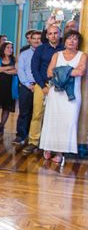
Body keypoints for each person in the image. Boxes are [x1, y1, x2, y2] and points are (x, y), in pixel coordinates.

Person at [39, 30, 86, 165]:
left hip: (71, 96)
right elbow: (49, 72)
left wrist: (60, 71)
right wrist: (70, 71)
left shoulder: (82, 55)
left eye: (75, 39)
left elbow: (81, 71)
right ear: (64, 41)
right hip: (55, 94)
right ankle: (48, 147)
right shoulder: (57, 54)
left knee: (68, 123)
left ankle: (60, 152)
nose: (71, 41)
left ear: (78, 43)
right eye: (69, 38)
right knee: (52, 121)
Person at [22, 25, 63, 156]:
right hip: (42, 84)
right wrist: (43, 86)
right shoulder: (40, 49)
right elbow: (35, 69)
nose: (53, 36)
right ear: (47, 35)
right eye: (50, 33)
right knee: (37, 113)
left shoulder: (64, 49)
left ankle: (51, 143)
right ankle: (33, 141)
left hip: (59, 86)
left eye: (55, 33)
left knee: (55, 116)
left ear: (60, 34)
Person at [15, 31, 42, 145]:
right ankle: (21, 135)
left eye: (38, 38)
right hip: (26, 86)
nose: (36, 40)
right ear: (29, 40)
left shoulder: (44, 53)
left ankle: (34, 138)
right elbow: (20, 71)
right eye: (34, 38)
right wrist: (27, 84)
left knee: (37, 113)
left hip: (40, 86)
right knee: (24, 112)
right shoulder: (24, 54)